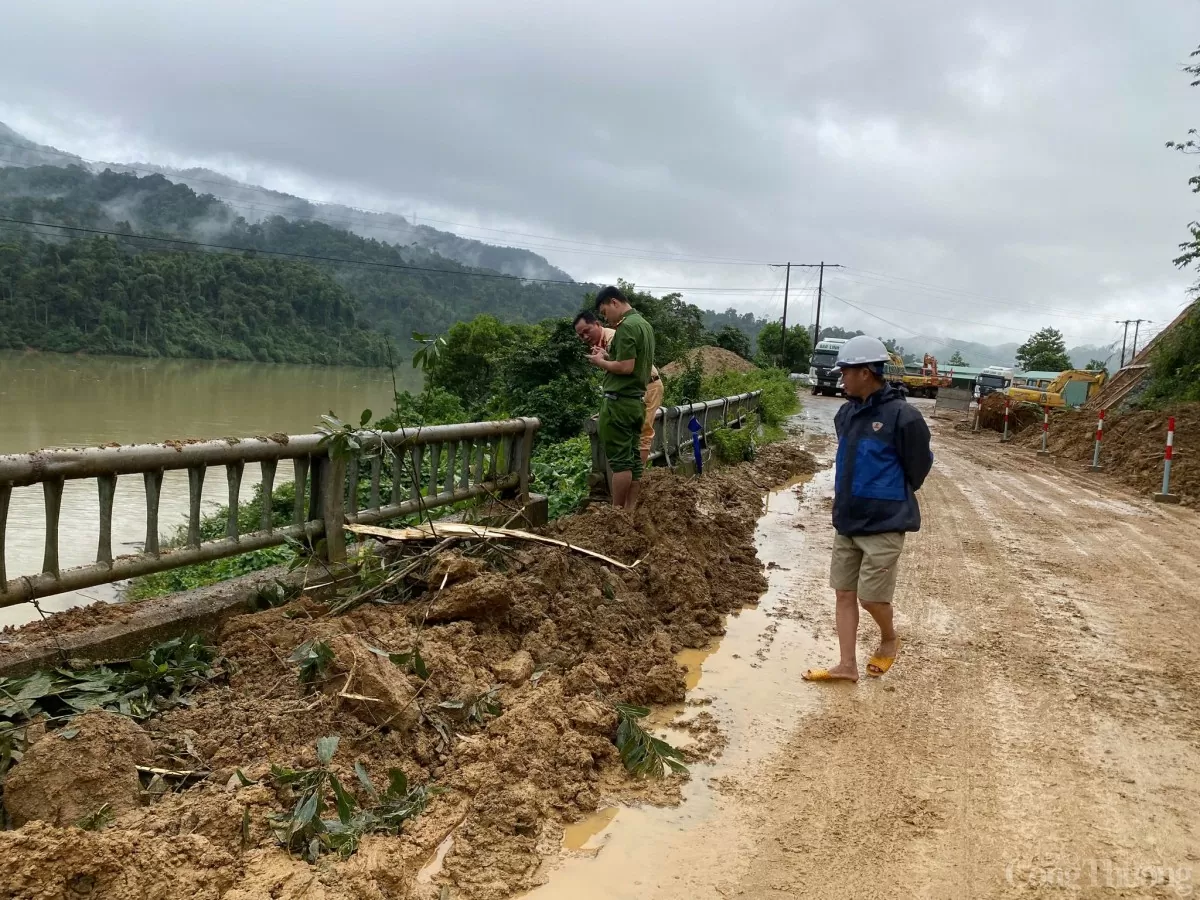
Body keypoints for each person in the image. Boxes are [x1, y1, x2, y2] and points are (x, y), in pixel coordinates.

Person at [803, 335, 933, 683]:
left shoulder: (904, 417)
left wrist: (885, 494)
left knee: (871, 598)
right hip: (847, 519)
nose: (841, 377)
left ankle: (889, 638)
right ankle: (847, 665)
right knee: (844, 593)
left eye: (845, 371)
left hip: (885, 522)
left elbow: (918, 467)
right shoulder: (846, 413)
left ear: (865, 372)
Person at [585, 286, 656, 511]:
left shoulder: (626, 327)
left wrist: (600, 362)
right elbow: (631, 362)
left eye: (605, 312)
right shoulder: (644, 325)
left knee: (620, 462)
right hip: (636, 402)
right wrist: (608, 357)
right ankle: (629, 510)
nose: (606, 318)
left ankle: (616, 512)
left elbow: (626, 367)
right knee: (634, 460)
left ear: (614, 302)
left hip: (619, 403)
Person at [574, 309, 663, 465]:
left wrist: (601, 361)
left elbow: (623, 368)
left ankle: (637, 476)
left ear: (597, 324)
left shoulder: (612, 337)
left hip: (648, 385)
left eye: (587, 331)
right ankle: (631, 474)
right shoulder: (602, 344)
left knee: (643, 432)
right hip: (637, 388)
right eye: (580, 335)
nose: (585, 337)